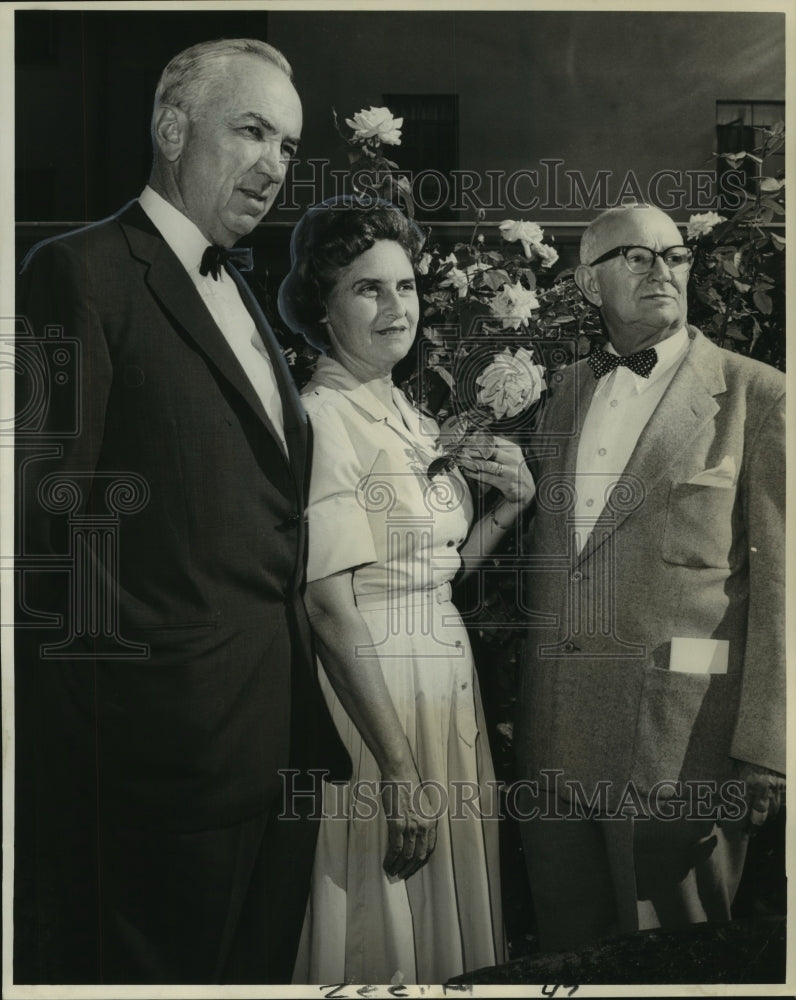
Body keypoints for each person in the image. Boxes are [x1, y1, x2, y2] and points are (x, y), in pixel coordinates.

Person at [14, 38, 348, 984]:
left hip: (277, 753)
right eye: (251, 132)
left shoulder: (238, 285)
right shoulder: (75, 273)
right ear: (171, 129)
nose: (276, 167)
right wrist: (116, 744)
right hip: (158, 774)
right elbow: (44, 533)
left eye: (287, 145)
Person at [277, 196, 536, 984]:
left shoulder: (407, 411)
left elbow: (437, 571)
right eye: (367, 289)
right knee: (377, 919)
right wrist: (396, 770)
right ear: (321, 309)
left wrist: (512, 504)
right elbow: (328, 604)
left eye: (407, 286)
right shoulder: (324, 417)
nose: (398, 308)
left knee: (445, 920)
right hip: (376, 700)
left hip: (444, 691)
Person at [514, 204, 785, 952]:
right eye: (635, 256)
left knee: (680, 962)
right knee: (570, 959)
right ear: (586, 283)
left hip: (680, 753)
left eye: (674, 254)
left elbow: (784, 587)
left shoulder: (760, 397)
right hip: (555, 748)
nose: (661, 269)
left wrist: (767, 748)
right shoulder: (564, 393)